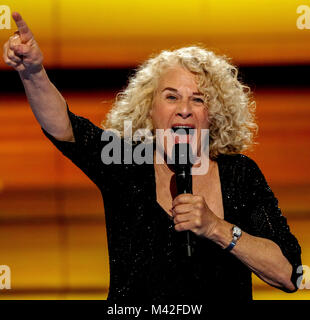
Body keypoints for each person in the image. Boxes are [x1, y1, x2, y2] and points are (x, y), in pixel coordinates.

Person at [3, 12, 302, 303]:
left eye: (198, 99)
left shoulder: (240, 174)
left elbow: (289, 274)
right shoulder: (125, 163)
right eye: (171, 96)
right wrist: (33, 72)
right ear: (150, 109)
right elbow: (64, 127)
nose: (184, 108)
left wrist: (216, 228)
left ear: (214, 114)